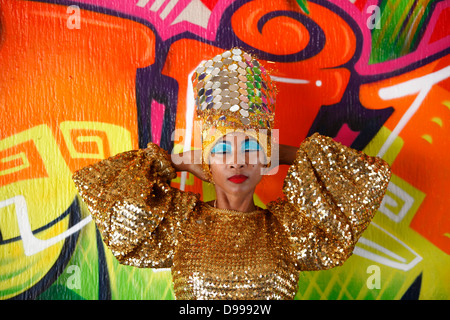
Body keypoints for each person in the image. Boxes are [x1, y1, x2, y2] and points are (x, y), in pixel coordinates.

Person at [72, 48, 391, 300]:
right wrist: (176, 160)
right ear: (206, 157)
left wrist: (284, 153)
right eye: (223, 149)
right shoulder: (181, 226)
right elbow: (118, 207)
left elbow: (367, 178)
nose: (237, 162)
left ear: (265, 157)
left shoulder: (286, 231)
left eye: (250, 149)